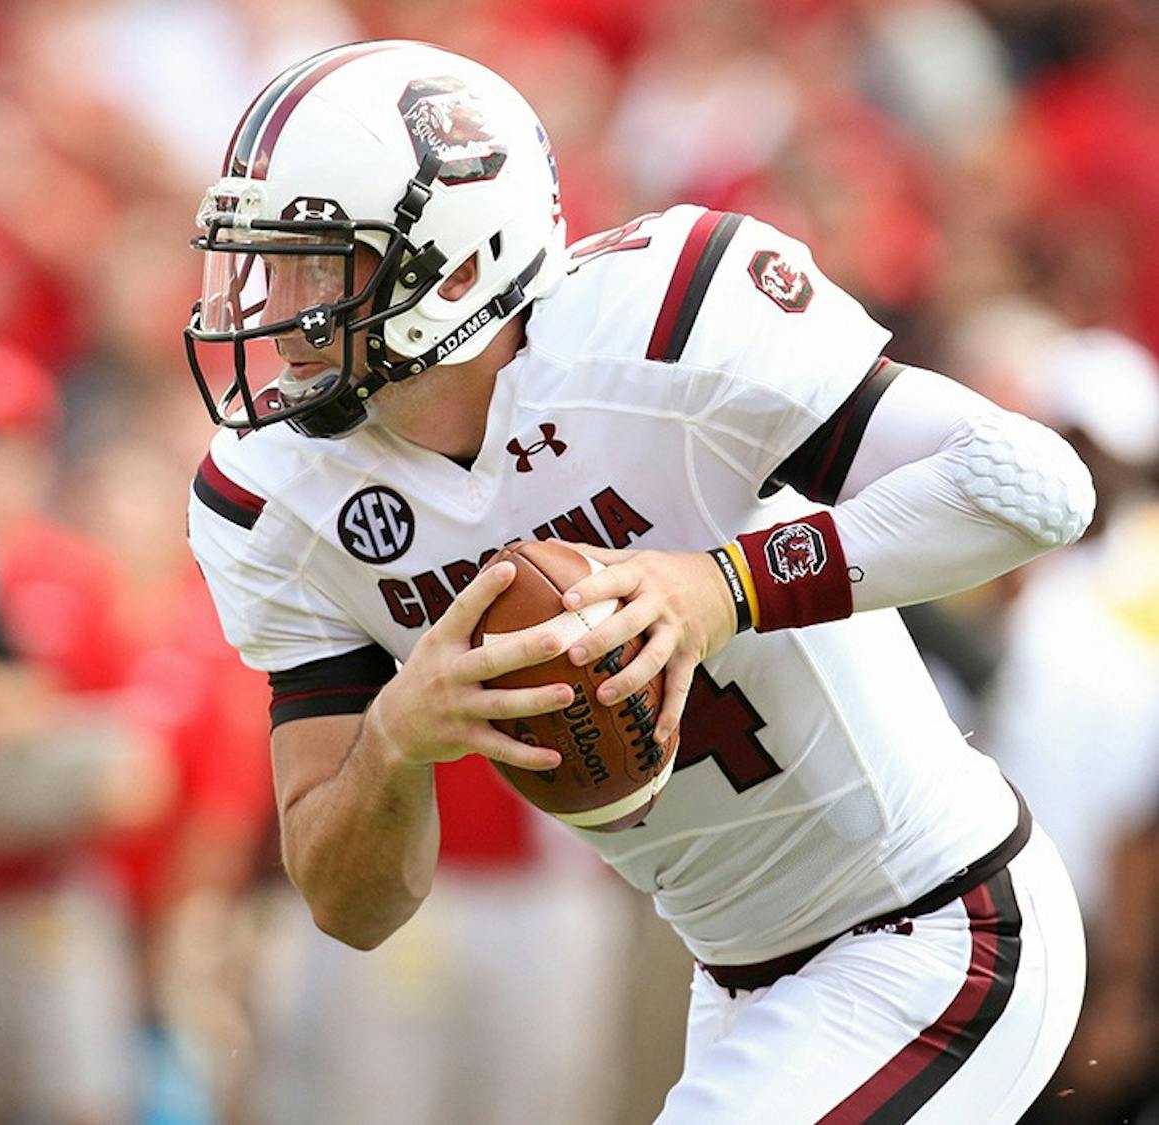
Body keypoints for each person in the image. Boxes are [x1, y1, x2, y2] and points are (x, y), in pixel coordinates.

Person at [183, 40, 1093, 1123]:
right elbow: (353, 905)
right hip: (741, 978)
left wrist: (724, 588)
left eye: (318, 266)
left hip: (941, 923)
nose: (268, 310)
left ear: (456, 268)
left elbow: (1036, 487)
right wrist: (394, 739)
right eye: (257, 263)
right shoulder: (276, 498)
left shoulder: (657, 330)